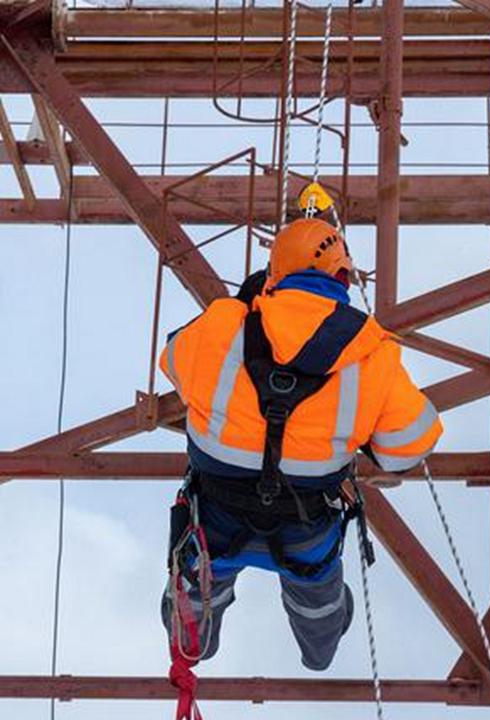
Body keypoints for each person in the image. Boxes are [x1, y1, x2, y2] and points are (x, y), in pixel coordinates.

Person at [159, 217, 443, 676]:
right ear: (343, 277)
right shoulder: (373, 352)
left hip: (214, 517)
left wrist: (240, 308)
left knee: (194, 587)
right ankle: (318, 655)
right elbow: (406, 450)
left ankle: (193, 646)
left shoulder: (222, 325)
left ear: (273, 274)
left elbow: (172, 358)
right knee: (319, 600)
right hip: (306, 525)